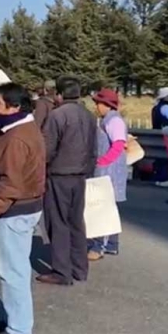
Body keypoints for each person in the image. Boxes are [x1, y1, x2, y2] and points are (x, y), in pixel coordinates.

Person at [0, 83, 45, 334]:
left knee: (13, 271)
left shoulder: (16, 139)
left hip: (14, 210)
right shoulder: (26, 129)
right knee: (18, 268)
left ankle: (18, 329)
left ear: (14, 107)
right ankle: (19, 321)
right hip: (26, 207)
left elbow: (11, 184)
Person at [37, 76, 97, 286]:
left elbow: (47, 149)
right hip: (80, 175)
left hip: (59, 175)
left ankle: (62, 271)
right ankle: (80, 268)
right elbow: (93, 148)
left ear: (59, 95)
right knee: (76, 222)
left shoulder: (57, 116)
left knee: (58, 223)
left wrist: (41, 171)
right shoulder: (89, 116)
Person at [87, 89, 127, 261]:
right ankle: (111, 244)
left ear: (106, 105)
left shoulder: (114, 121)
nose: (96, 106)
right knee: (109, 208)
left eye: (98, 103)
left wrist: (103, 161)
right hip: (109, 170)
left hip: (108, 171)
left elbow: (119, 144)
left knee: (101, 209)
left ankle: (99, 247)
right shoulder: (109, 119)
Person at [152, 87, 168, 187]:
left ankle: (158, 177)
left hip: (157, 134)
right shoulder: (166, 107)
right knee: (165, 157)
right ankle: (163, 178)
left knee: (159, 157)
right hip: (165, 135)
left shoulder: (155, 107)